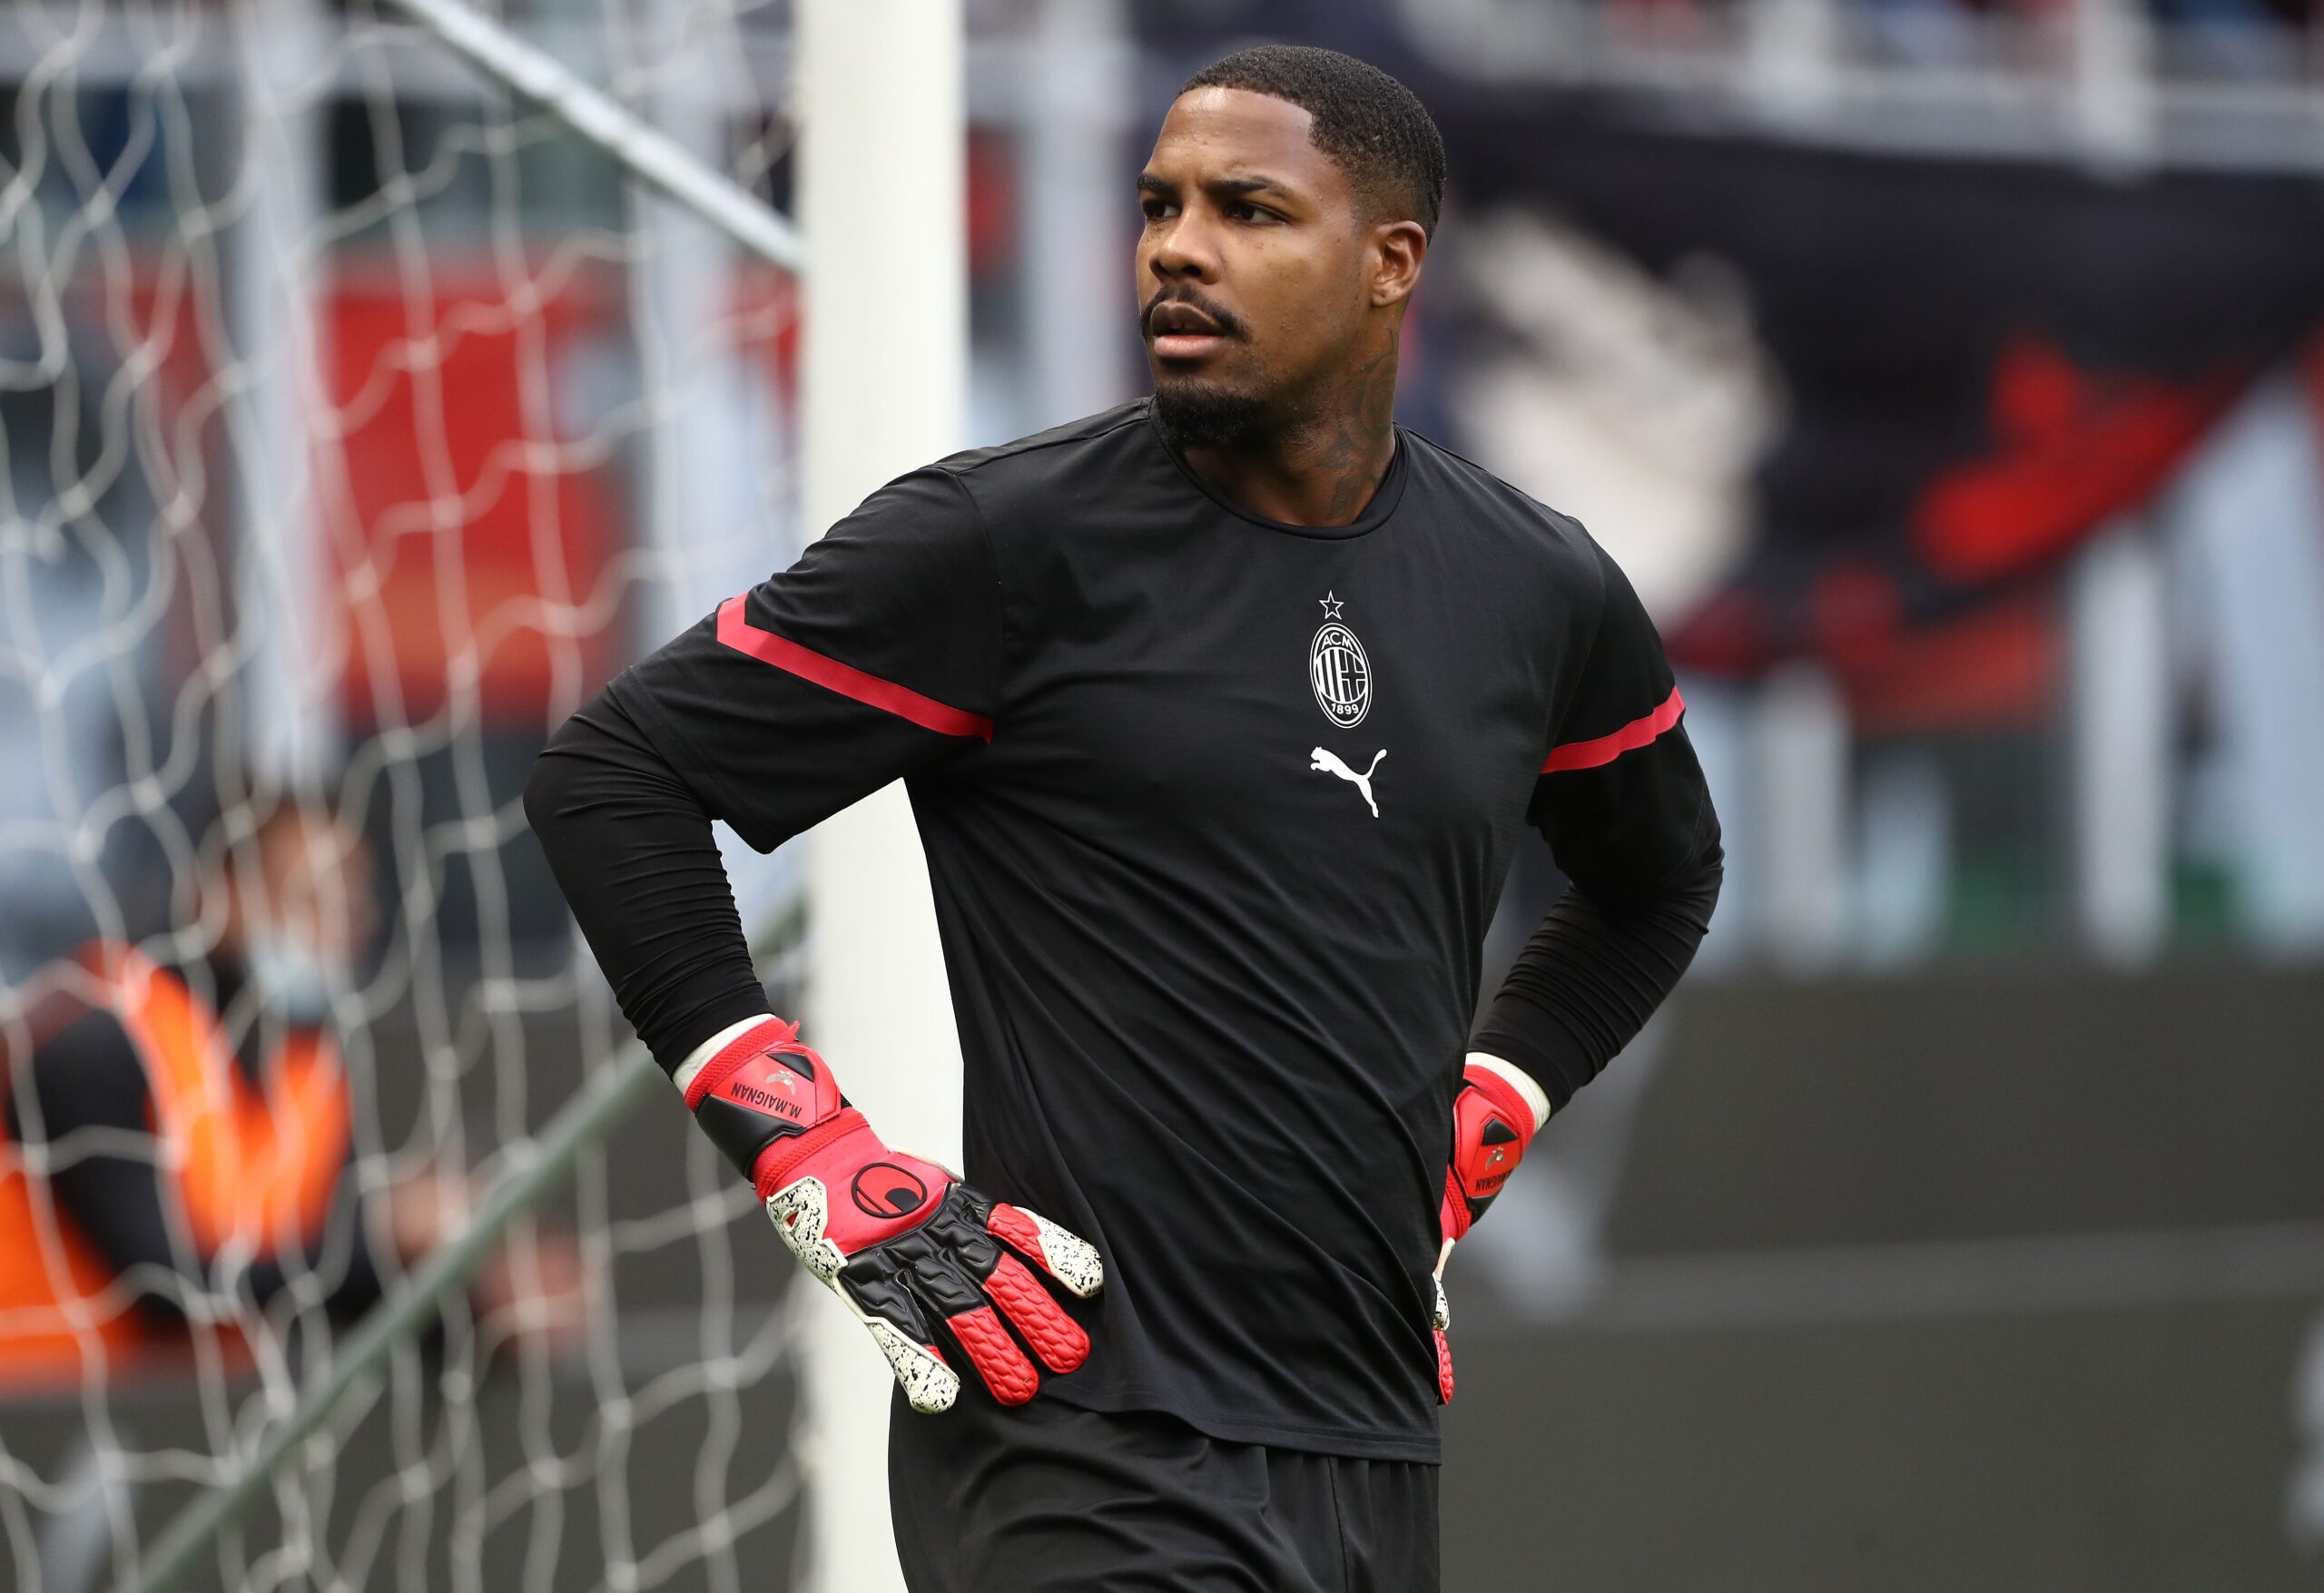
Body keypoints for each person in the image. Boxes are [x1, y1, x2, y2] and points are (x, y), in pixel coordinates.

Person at [526, 44, 1721, 1591]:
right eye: (1161, 205)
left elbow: (1660, 880)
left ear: (1391, 262)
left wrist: (1483, 1111)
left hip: (1370, 1439)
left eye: (1248, 209)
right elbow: (613, 775)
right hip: (1075, 1438)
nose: (1179, 248)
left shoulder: (1536, 586)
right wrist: (812, 1149)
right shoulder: (1008, 539)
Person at [0, 793, 582, 1385]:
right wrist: (385, 1233)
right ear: (223, 895)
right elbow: (166, 1288)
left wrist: (484, 1293)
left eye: (354, 902)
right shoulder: (94, 1040)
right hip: (35, 1401)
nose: (344, 926)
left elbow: (324, 1283)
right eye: (313, 898)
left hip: (196, 1414)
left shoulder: (307, 1069)